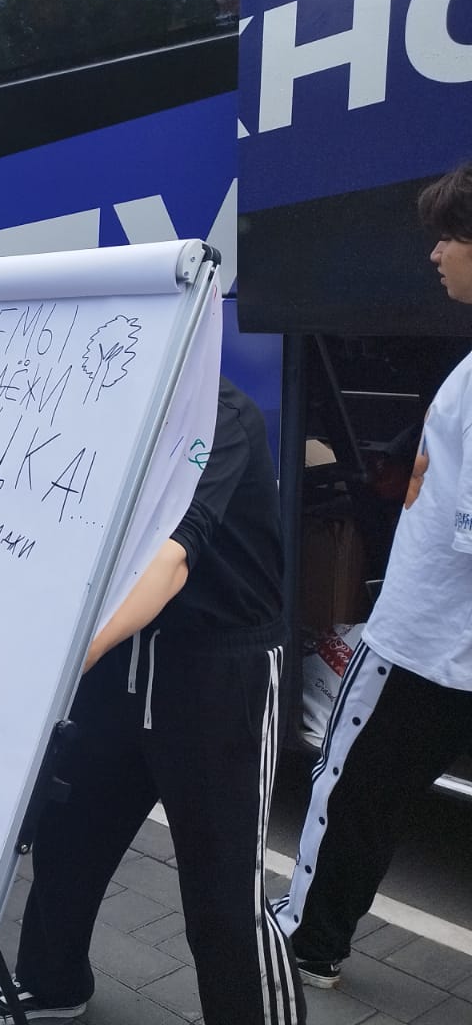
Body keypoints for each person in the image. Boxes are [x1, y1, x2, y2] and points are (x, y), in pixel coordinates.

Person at [0, 379, 305, 1025]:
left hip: (218, 668)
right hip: (123, 655)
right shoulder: (100, 407)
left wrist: (65, 661)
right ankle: (52, 982)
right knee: (68, 831)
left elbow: (171, 560)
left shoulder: (219, 415)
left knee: (222, 889)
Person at [274, 163, 472, 988]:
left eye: (449, 236)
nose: (434, 254)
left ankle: (306, 942)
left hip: (423, 642)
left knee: (352, 792)